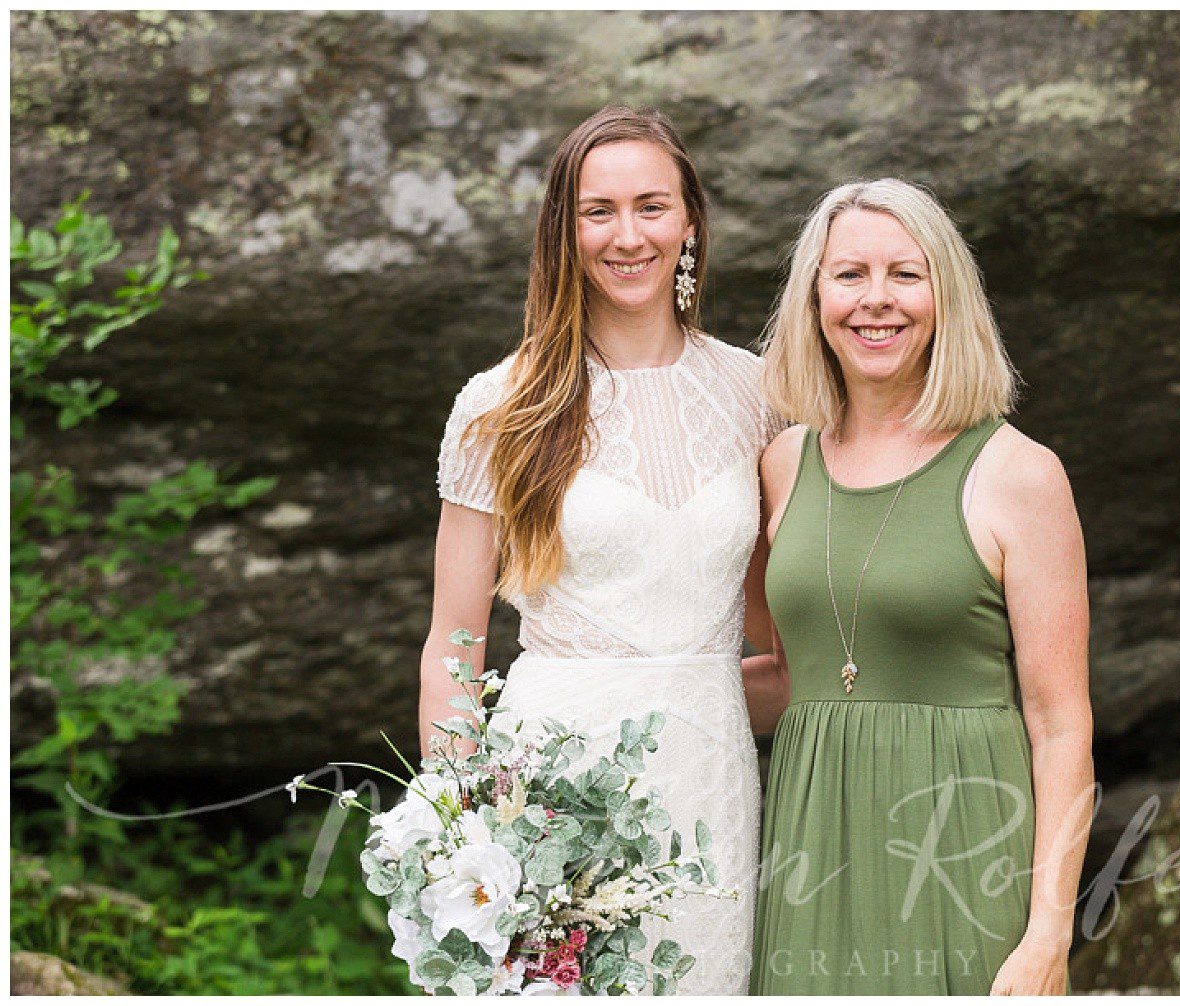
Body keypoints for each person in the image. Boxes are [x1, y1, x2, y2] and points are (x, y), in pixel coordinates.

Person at [424, 105, 781, 995]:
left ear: (690, 222)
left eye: (652, 207)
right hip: (552, 781)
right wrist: (461, 826)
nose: (629, 235)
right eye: (599, 211)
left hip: (712, 778)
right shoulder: (500, 404)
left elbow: (784, 640)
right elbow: (454, 646)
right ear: (564, 231)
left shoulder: (759, 395)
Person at [746, 179, 1094, 995]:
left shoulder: (1020, 475)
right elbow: (789, 676)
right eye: (849, 275)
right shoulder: (782, 465)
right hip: (807, 854)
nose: (876, 301)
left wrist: (1049, 933)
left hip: (962, 855)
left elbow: (1060, 722)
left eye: (906, 274)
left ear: (947, 295)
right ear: (814, 298)